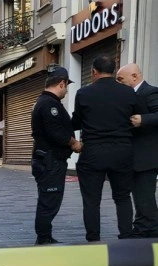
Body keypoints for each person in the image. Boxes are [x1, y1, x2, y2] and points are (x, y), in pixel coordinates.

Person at [71, 56, 140, 242]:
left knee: (91, 200)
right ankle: (126, 236)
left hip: (93, 152)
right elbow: (137, 119)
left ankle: (93, 239)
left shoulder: (84, 93)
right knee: (123, 196)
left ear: (93, 71)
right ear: (113, 70)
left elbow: (76, 122)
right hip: (122, 151)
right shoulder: (129, 93)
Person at [30, 66, 82, 245]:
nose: (67, 91)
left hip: (48, 160)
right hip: (50, 161)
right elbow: (55, 132)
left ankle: (45, 236)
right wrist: (74, 143)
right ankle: (43, 239)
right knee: (49, 201)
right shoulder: (49, 104)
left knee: (49, 200)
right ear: (62, 83)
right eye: (66, 86)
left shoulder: (44, 102)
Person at [117, 63, 158, 238]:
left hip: (147, 156)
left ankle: (149, 227)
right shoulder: (129, 95)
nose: (118, 83)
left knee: (144, 194)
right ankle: (142, 225)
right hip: (135, 156)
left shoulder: (150, 92)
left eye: (121, 79)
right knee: (139, 194)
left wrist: (144, 119)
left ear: (134, 76)